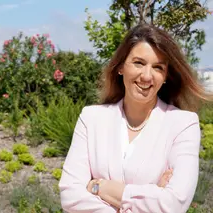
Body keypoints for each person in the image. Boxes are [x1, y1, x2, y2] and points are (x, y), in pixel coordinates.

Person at [58, 23, 213, 213]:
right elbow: (70, 195)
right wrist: (152, 195)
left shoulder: (183, 124)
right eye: (139, 63)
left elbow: (173, 204)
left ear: (165, 76)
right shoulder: (91, 119)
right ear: (121, 66)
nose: (147, 76)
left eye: (157, 67)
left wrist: (99, 187)